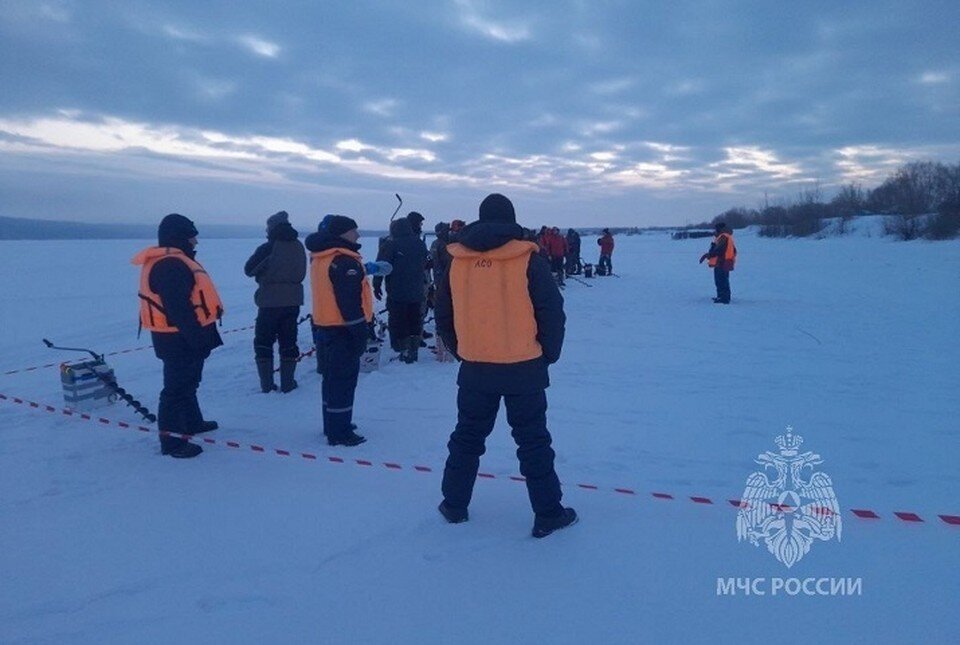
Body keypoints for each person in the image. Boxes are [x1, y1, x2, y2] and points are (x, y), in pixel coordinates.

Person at [435, 193, 577, 539]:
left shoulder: (457, 259)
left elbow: (443, 315)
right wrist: (547, 354)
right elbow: (551, 310)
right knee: (533, 442)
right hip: (522, 367)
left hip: (476, 368)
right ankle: (548, 513)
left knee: (466, 437)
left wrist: (464, 351)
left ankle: (453, 505)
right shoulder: (527, 257)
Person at [132, 214, 224, 459]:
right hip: (177, 338)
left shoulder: (176, 261)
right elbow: (179, 309)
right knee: (175, 389)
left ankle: (192, 423)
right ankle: (172, 442)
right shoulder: (169, 265)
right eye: (191, 236)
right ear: (179, 237)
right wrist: (197, 340)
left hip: (185, 336)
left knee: (189, 383)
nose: (195, 241)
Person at [305, 215, 372, 447]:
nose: (358, 235)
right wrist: (360, 331)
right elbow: (349, 303)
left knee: (331, 380)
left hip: (323, 326)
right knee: (343, 382)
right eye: (355, 230)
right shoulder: (344, 262)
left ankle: (333, 423)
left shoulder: (321, 257)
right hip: (342, 330)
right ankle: (340, 432)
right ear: (344, 233)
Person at [244, 211, 306, 393]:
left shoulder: (269, 247)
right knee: (289, 341)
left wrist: (265, 274)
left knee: (263, 342)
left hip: (269, 301)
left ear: (272, 228)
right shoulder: (298, 246)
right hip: (293, 300)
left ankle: (267, 385)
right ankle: (288, 383)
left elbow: (249, 269)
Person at [373, 217, 428, 363]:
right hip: (417, 290)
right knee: (415, 320)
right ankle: (413, 349)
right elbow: (426, 263)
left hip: (397, 292)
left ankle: (403, 350)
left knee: (399, 321)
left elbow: (381, 266)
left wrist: (376, 285)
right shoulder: (419, 243)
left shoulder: (390, 245)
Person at [699, 222, 737, 304]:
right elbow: (733, 250)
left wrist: (709, 255)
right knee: (722, 280)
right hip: (724, 262)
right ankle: (721, 296)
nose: (715, 231)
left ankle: (724, 298)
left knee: (721, 280)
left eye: (716, 229)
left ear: (720, 229)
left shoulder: (723, 237)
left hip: (721, 262)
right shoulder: (726, 236)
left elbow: (719, 250)